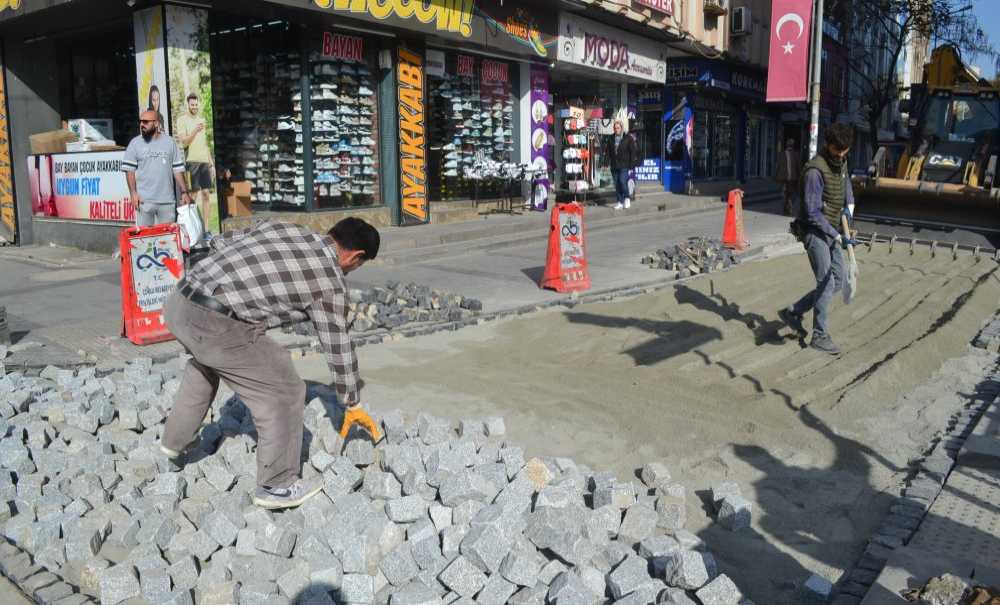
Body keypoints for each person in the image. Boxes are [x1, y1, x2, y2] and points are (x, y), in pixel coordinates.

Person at [159, 217, 380, 510]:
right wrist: (351, 401)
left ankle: (174, 441)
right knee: (285, 390)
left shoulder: (286, 228)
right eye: (358, 265)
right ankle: (277, 485)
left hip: (179, 302)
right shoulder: (329, 280)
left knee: (206, 364)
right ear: (355, 256)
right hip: (215, 322)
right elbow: (336, 343)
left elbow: (221, 241)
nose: (353, 270)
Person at [778, 123, 856, 355]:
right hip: (813, 231)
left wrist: (848, 210)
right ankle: (819, 335)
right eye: (837, 151)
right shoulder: (814, 172)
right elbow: (812, 212)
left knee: (839, 280)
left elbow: (845, 185)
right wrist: (836, 235)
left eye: (845, 151)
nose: (841, 155)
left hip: (832, 228)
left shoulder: (841, 161)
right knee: (826, 282)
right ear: (828, 145)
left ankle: (794, 311)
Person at [122, 110, 192, 226]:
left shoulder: (170, 142)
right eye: (140, 122)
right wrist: (133, 193)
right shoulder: (135, 144)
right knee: (145, 239)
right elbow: (129, 171)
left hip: (167, 201)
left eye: (145, 122)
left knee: (167, 239)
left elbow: (177, 170)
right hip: (144, 202)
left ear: (156, 123)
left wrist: (184, 192)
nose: (141, 125)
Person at [175, 92, 215, 228]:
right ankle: (192, 227)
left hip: (204, 161)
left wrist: (211, 164)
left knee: (206, 194)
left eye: (196, 105)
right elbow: (184, 142)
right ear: (188, 105)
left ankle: (206, 228)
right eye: (192, 105)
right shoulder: (182, 120)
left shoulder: (202, 120)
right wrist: (194, 131)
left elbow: (205, 144)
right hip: (192, 161)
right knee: (193, 196)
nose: (194, 107)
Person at [607, 119, 638, 210]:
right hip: (614, 164)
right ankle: (620, 202)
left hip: (624, 164)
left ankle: (627, 198)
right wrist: (605, 161)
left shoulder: (628, 138)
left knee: (622, 181)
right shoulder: (611, 138)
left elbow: (633, 152)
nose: (616, 130)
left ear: (621, 128)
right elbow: (608, 151)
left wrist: (632, 165)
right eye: (615, 128)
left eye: (618, 128)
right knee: (616, 184)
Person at [776, 138, 801, 216]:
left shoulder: (782, 154)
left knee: (785, 193)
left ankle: (786, 207)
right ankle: (789, 205)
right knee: (792, 193)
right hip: (792, 178)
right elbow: (798, 167)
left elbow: (778, 166)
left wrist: (777, 176)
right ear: (793, 146)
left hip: (783, 178)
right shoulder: (796, 154)